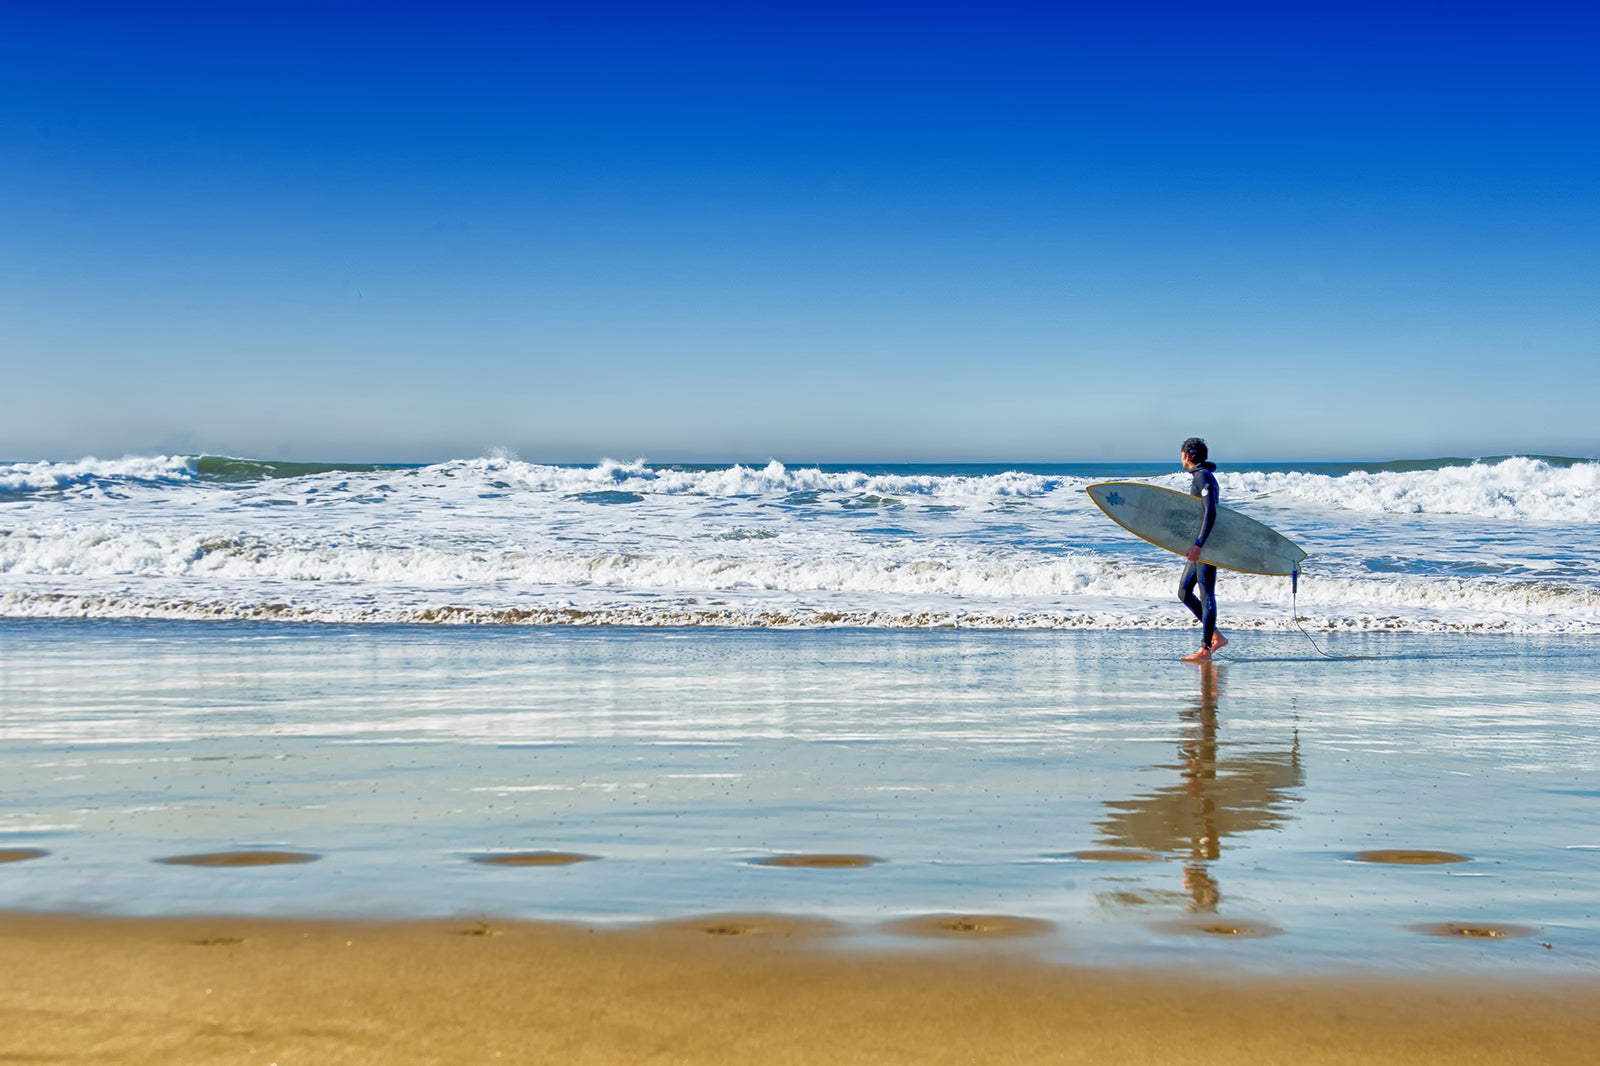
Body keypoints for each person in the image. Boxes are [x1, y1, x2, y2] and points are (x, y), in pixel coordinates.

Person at [1178, 437, 1227, 662]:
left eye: (1181, 455)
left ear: (1187, 456)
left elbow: (1211, 512)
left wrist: (1199, 544)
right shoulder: (1200, 476)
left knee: (1206, 593)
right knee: (1184, 591)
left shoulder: (1204, 477)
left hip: (1207, 545)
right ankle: (1215, 635)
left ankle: (1206, 648)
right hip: (1200, 544)